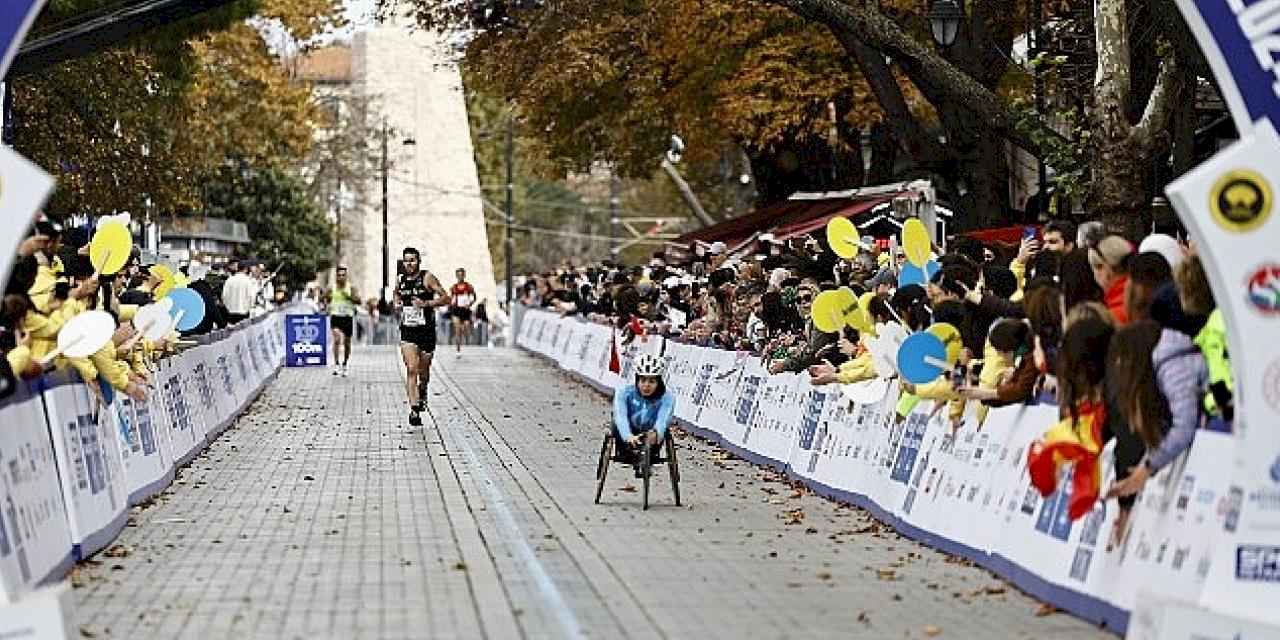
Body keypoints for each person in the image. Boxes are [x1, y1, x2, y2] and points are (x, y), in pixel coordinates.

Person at [395, 247, 450, 426]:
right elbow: (396, 293)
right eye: (406, 260)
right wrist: (396, 302)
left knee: (423, 371)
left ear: (418, 261)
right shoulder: (401, 279)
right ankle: (413, 410)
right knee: (412, 368)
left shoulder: (427, 277)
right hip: (408, 330)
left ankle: (423, 389)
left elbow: (446, 298)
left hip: (426, 331)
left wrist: (426, 303)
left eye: (412, 260)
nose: (409, 264)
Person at [611, 354, 675, 478]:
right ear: (636, 380)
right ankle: (630, 453)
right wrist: (628, 436)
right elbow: (620, 416)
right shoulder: (624, 392)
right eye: (643, 380)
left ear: (659, 382)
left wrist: (656, 433)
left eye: (652, 381)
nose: (646, 385)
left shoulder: (668, 397)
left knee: (662, 432)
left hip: (651, 434)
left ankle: (646, 458)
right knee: (615, 424)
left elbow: (663, 420)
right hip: (627, 434)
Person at [328, 265, 357, 376]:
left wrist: (349, 297)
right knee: (337, 339)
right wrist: (326, 302)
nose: (341, 277)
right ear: (336, 276)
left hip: (347, 317)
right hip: (335, 316)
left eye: (343, 275)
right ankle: (336, 364)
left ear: (346, 276)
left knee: (347, 343)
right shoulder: (332, 288)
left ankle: (345, 363)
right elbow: (324, 297)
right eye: (339, 275)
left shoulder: (351, 288)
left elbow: (358, 300)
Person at [448, 268, 477, 355]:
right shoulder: (453, 287)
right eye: (458, 275)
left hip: (465, 310)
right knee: (457, 330)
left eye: (462, 275)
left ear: (464, 275)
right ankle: (458, 349)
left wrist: (470, 304)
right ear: (456, 276)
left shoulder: (469, 287)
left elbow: (474, 297)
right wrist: (451, 303)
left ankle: (466, 335)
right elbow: (451, 298)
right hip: (456, 310)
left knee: (466, 327)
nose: (460, 277)